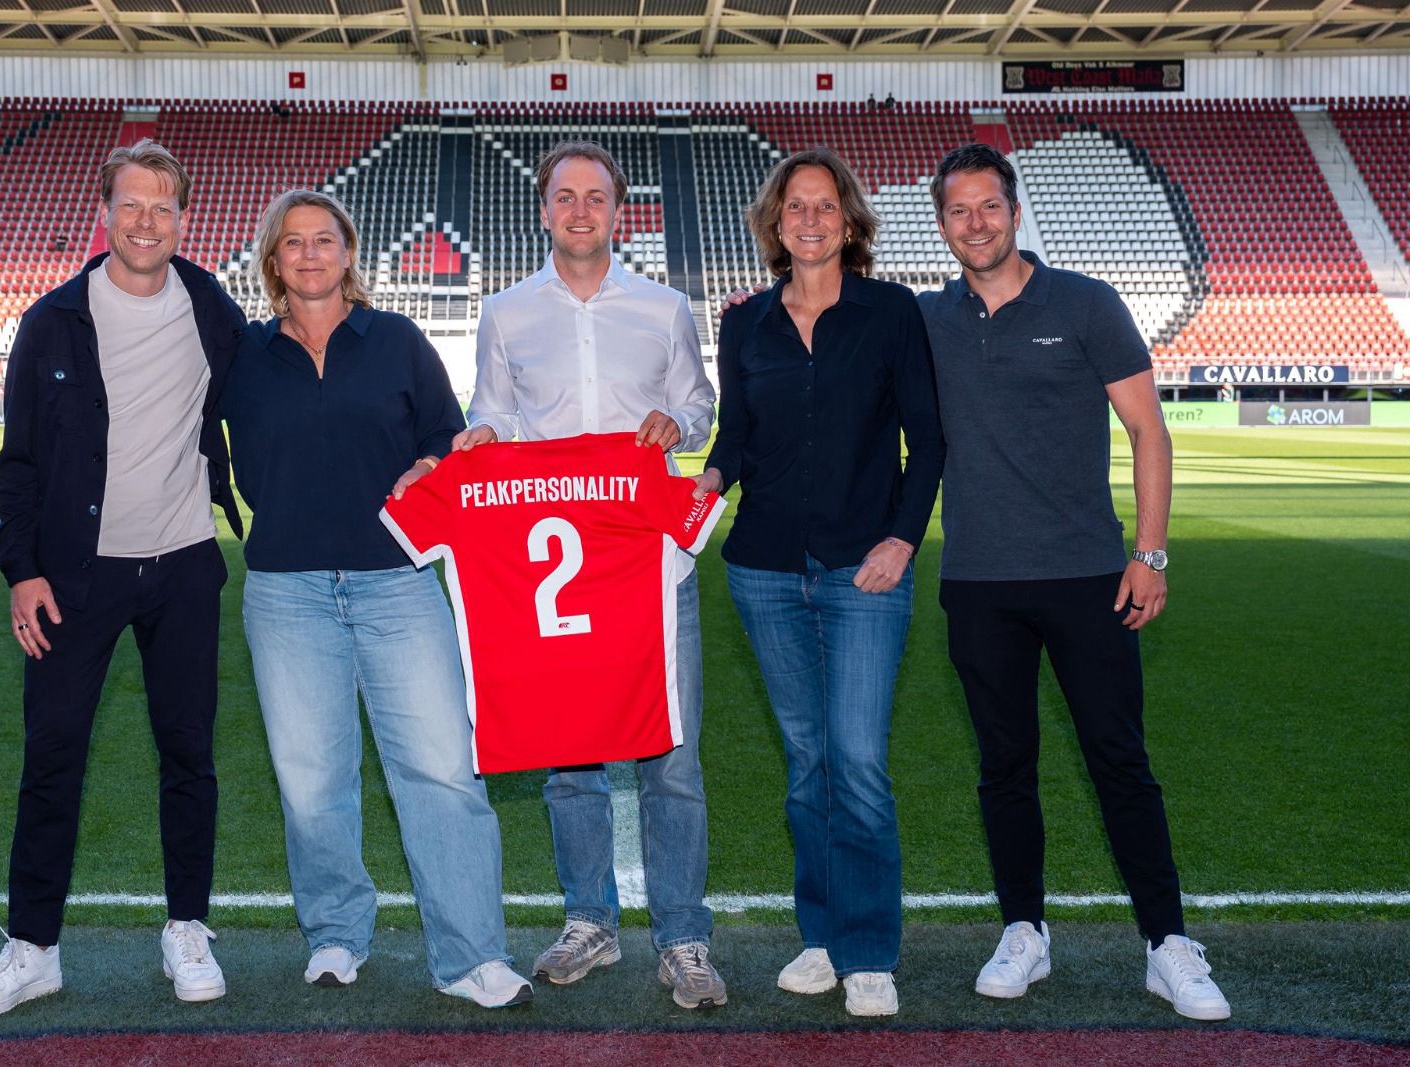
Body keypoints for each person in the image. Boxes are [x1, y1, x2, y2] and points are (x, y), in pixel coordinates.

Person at [919, 143, 1231, 1022]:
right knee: (1004, 767)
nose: (974, 224)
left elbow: (1148, 431)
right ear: (941, 225)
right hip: (979, 582)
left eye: (988, 206)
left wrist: (1153, 549)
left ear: (1015, 213)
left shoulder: (1087, 302)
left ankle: (1168, 944)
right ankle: (1025, 930)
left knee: (1119, 762)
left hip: (1091, 575)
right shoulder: (929, 319)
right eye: (957, 211)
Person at [0, 140, 244, 1019]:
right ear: (104, 214)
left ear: (183, 220)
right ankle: (32, 946)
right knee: (52, 759)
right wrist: (23, 569)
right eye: (131, 205)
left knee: (189, 754)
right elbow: (20, 465)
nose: (146, 222)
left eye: (162, 207)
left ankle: (186, 926)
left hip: (186, 563)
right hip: (77, 577)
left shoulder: (212, 308)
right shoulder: (53, 320)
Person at [222, 189, 531, 1008]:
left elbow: (446, 439)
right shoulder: (244, 355)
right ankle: (333, 933)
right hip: (285, 590)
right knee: (311, 776)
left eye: (326, 240)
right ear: (274, 260)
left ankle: (472, 956)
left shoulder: (395, 340)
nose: (312, 254)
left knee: (441, 769)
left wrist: (436, 466)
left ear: (349, 253)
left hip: (397, 582)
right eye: (294, 243)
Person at [455, 139, 725, 1010]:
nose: (580, 210)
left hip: (650, 564)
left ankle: (683, 935)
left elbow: (699, 405)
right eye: (564, 197)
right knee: (569, 757)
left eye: (595, 197)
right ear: (544, 212)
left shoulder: (664, 306)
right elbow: (489, 412)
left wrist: (673, 425)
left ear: (618, 211)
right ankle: (590, 920)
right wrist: (485, 438)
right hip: (557, 571)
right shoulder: (505, 313)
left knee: (670, 755)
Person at [694, 148, 944, 1018]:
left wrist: (903, 540)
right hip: (763, 571)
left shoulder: (891, 312)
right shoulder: (744, 322)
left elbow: (930, 440)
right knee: (807, 765)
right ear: (774, 223)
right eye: (794, 206)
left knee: (860, 762)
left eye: (825, 206)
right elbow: (735, 437)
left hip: (863, 569)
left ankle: (871, 949)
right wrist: (706, 483)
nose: (809, 219)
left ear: (848, 222)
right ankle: (822, 937)